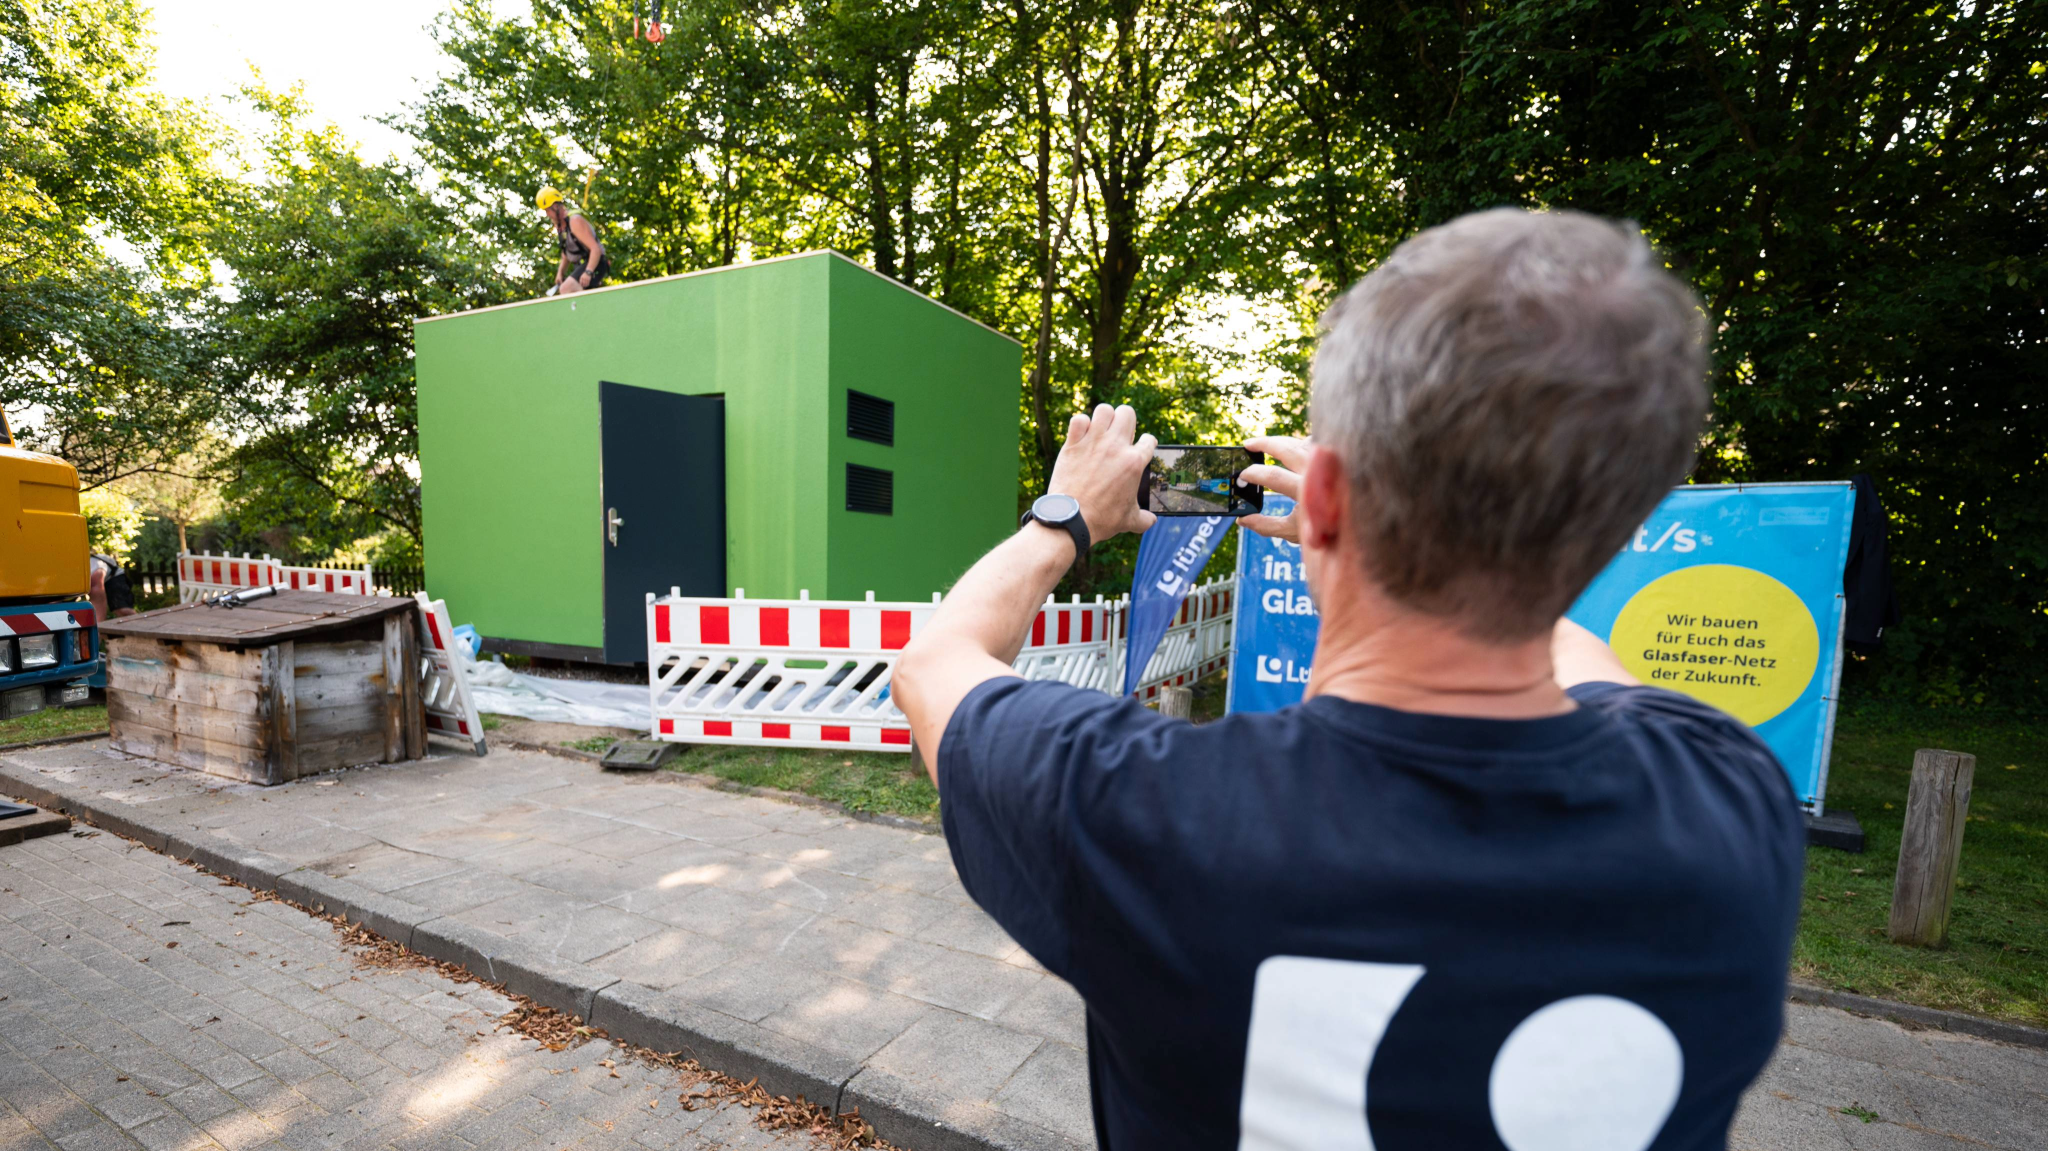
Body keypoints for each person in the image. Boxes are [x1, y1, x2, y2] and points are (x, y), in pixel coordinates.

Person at [894, 208, 1804, 1150]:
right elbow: (1571, 646)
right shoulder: (1731, 803)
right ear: (1616, 529)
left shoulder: (1148, 814)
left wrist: (1064, 517)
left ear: (1322, 500)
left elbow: (931, 667)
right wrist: (1378, 535)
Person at [536, 186, 610, 295]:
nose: (547, 215)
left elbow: (596, 249)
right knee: (568, 289)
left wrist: (588, 272)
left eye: (547, 210)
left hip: (596, 263)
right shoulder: (561, 227)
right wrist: (560, 272)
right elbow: (567, 253)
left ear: (556, 207)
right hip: (582, 265)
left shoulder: (574, 221)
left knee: (567, 288)